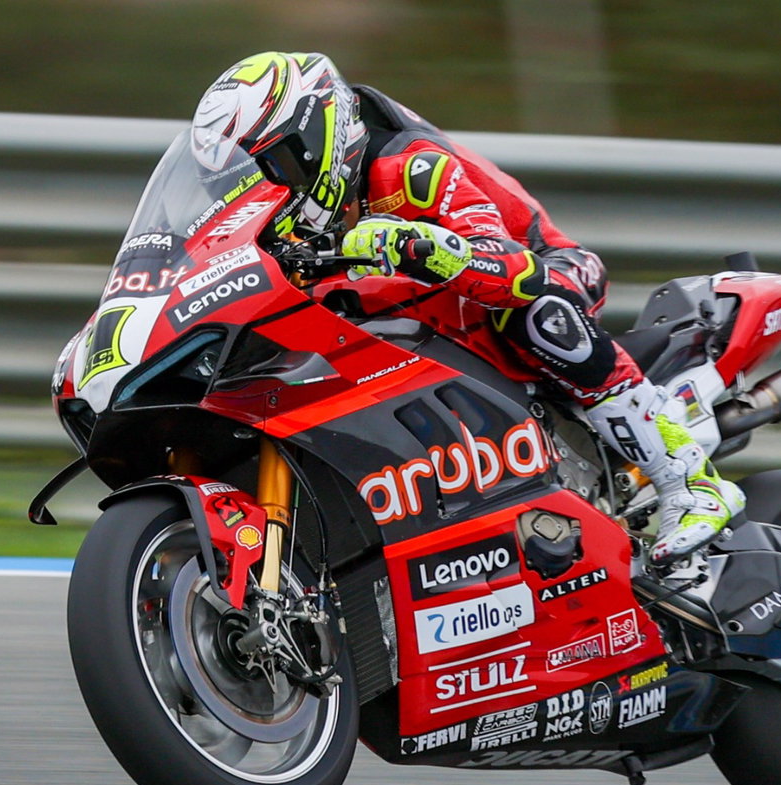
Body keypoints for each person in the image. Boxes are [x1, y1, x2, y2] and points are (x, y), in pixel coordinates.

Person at [190, 51, 743, 578]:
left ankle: (688, 478)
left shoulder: (409, 167)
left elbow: (514, 269)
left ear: (319, 137)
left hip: (546, 268)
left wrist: (425, 246)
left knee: (530, 311)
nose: (268, 189)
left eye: (275, 167)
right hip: (423, 311)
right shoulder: (291, 226)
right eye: (247, 181)